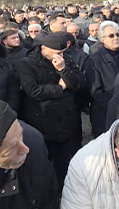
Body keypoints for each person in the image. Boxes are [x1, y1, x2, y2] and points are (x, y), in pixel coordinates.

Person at [16, 33, 86, 183]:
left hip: (67, 120)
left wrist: (63, 70)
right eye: (57, 52)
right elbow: (33, 91)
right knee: (45, 164)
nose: (61, 55)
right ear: (44, 48)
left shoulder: (66, 60)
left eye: (62, 52)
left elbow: (78, 83)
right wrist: (59, 88)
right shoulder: (27, 63)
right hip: (42, 120)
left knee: (67, 162)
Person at [85, 21, 119, 135]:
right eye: (111, 36)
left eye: (117, 35)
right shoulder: (95, 60)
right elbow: (95, 91)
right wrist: (115, 106)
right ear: (102, 39)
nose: (115, 38)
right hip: (106, 114)